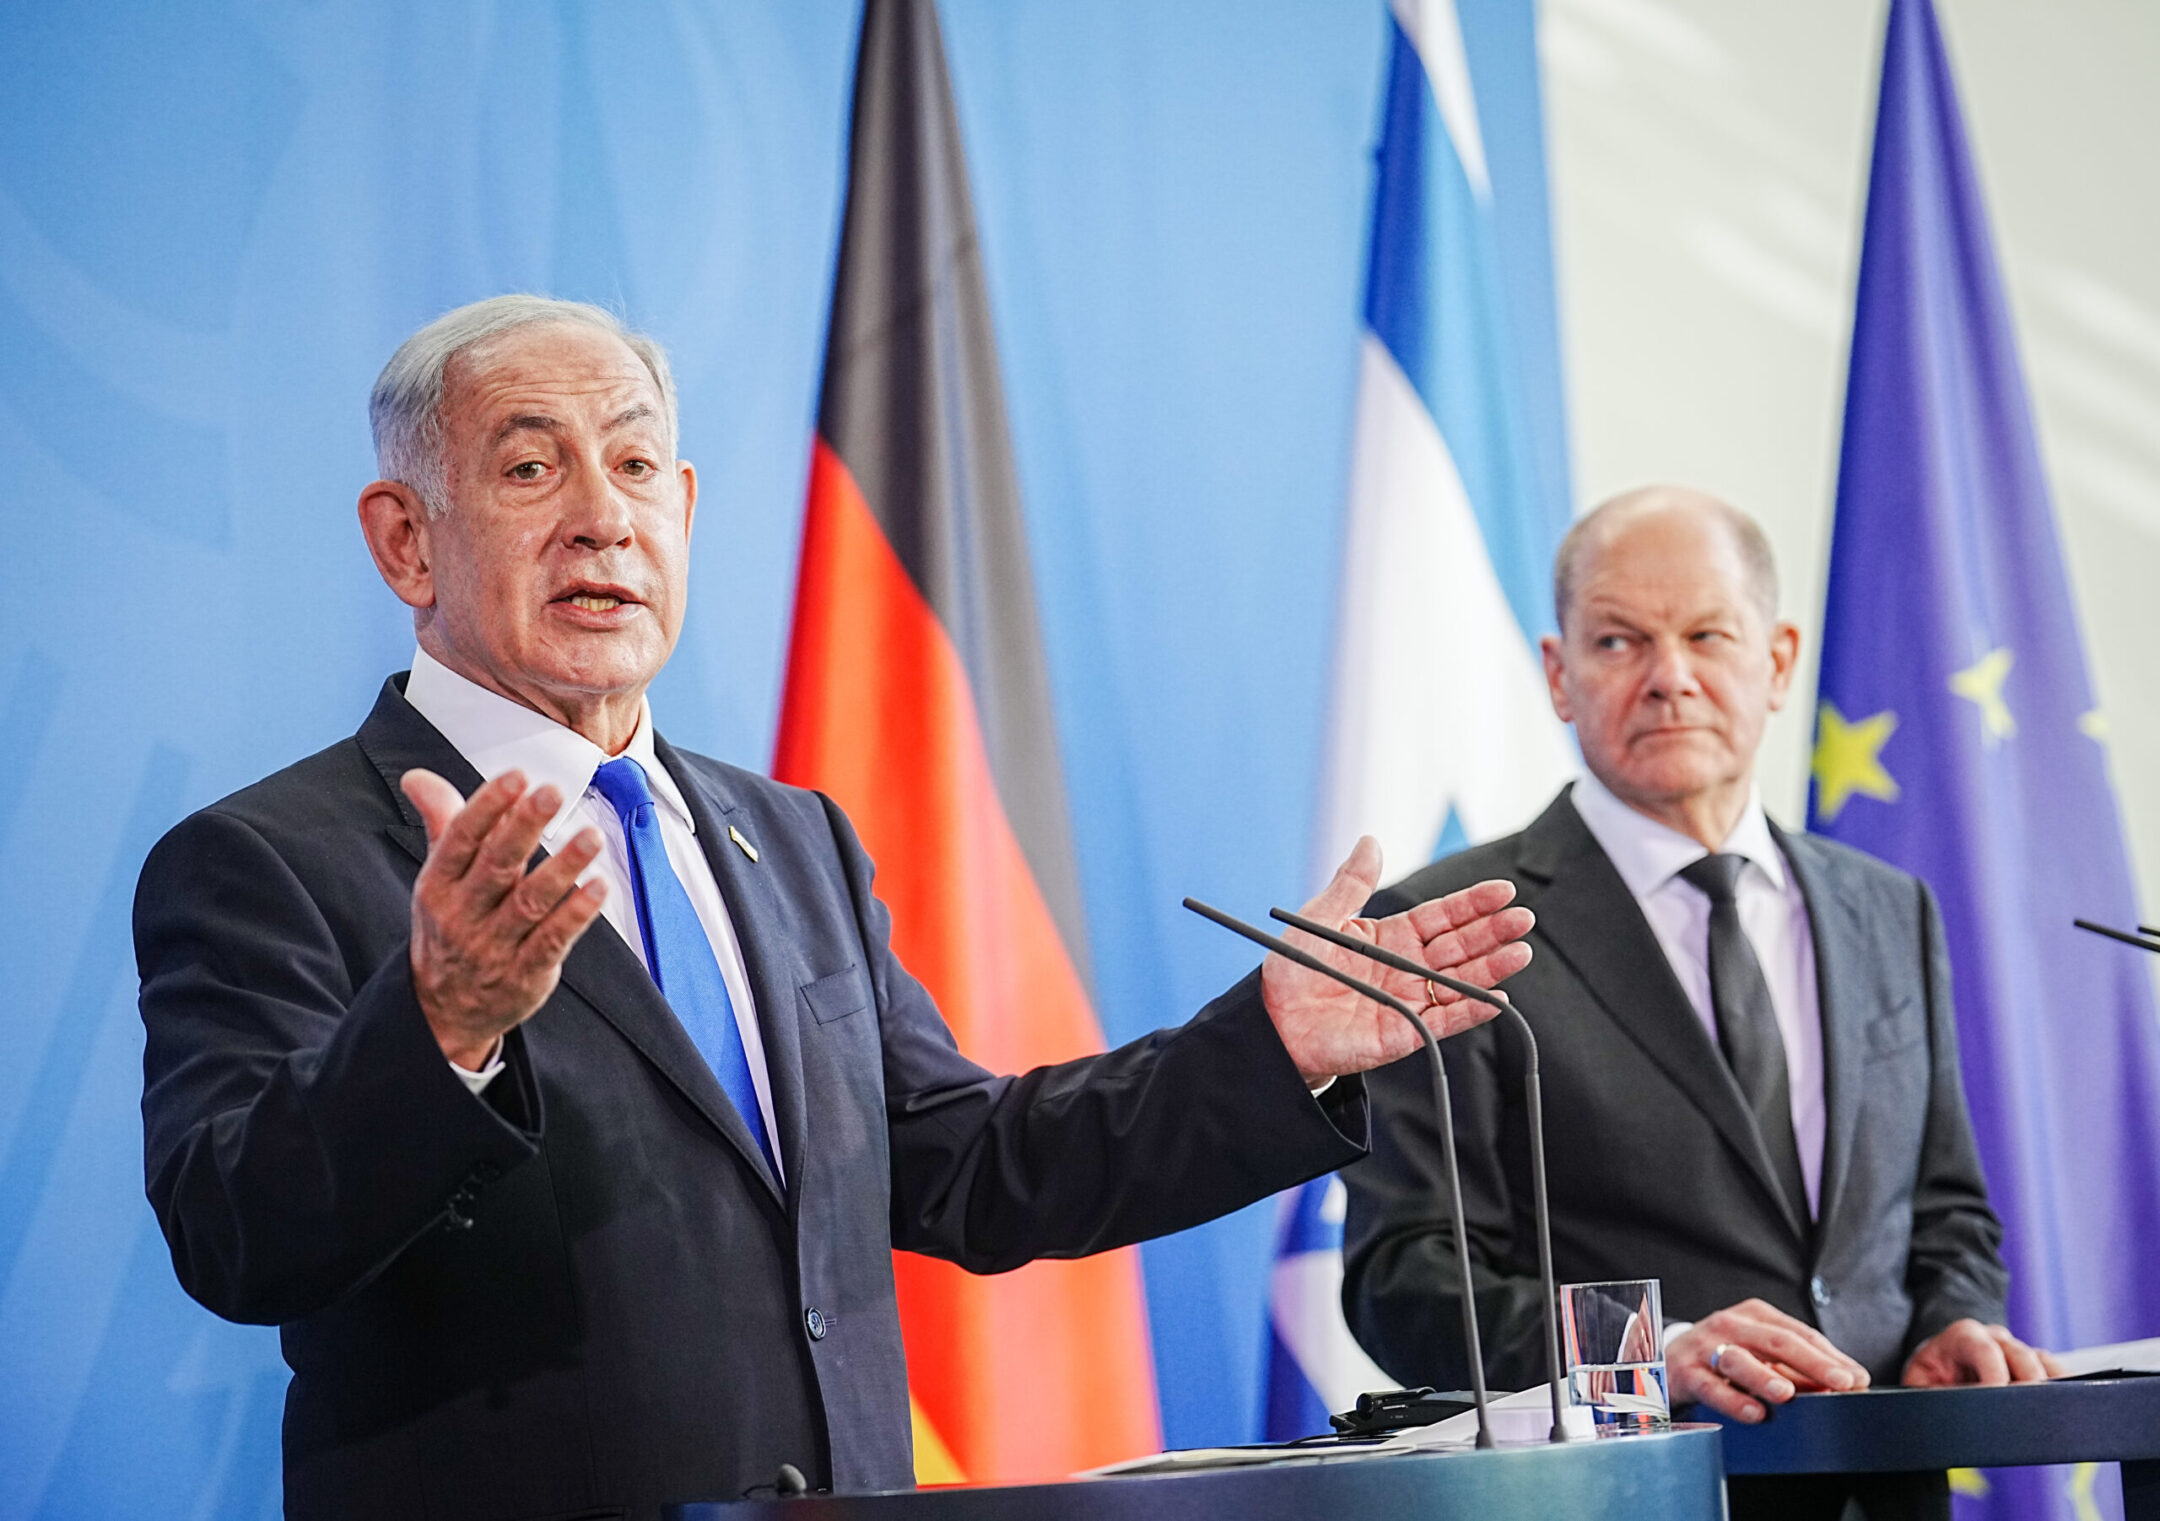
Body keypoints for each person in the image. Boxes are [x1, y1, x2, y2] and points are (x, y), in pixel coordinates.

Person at [134, 295, 1536, 1521]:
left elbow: (966, 1165)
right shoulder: (269, 858)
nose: (602, 516)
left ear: (684, 510)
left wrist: (1270, 1047)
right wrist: (439, 1027)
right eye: (527, 466)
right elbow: (237, 1232)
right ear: (404, 541)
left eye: (634, 466)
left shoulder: (786, 836)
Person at [1340, 486, 2058, 1521]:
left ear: (1776, 661)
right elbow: (1402, 1279)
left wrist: (1953, 1319)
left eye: (1707, 635)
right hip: (1632, 1497)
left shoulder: (1886, 908)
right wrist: (1653, 1354)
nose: (1669, 678)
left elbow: (1942, 1215)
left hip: (1887, 1492)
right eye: (1620, 641)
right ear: (1559, 675)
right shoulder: (1453, 928)